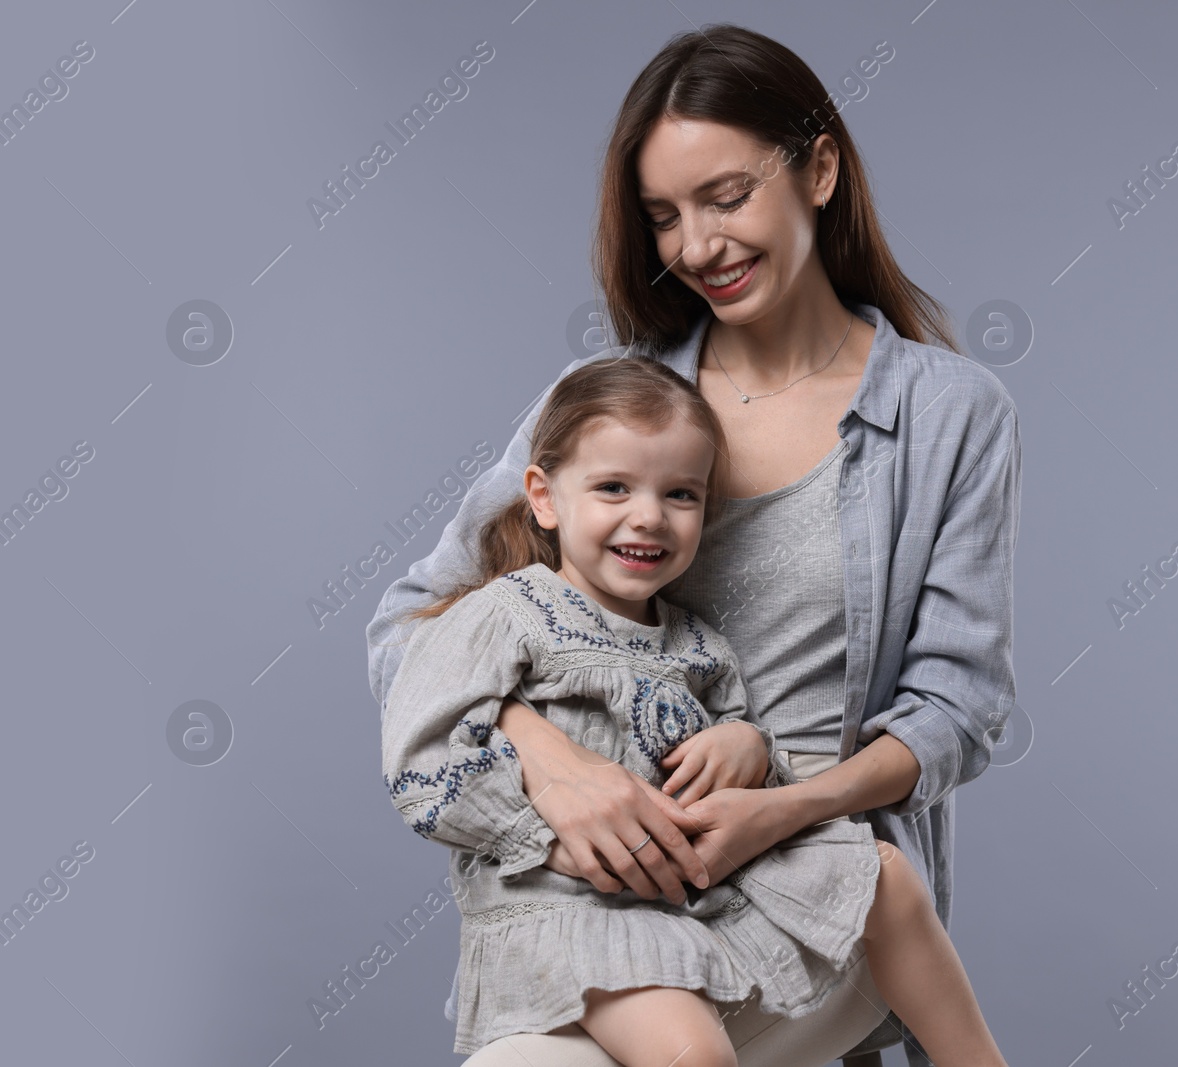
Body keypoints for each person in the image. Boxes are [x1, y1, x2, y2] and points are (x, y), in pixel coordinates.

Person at [366, 22, 1022, 1067]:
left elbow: (957, 711)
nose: (694, 246)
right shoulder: (609, 409)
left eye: (725, 198)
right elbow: (414, 626)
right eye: (664, 215)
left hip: (816, 881)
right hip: (611, 895)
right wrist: (553, 759)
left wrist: (777, 803)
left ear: (817, 169)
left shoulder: (949, 414)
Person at [380, 357, 1009, 1065]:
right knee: (695, 1055)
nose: (648, 515)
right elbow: (423, 765)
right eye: (613, 487)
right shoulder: (505, 614)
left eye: (679, 494)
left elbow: (744, 740)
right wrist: (556, 842)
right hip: (571, 911)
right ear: (544, 496)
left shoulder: (696, 641)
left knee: (886, 872)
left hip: (687, 897)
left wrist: (746, 742)